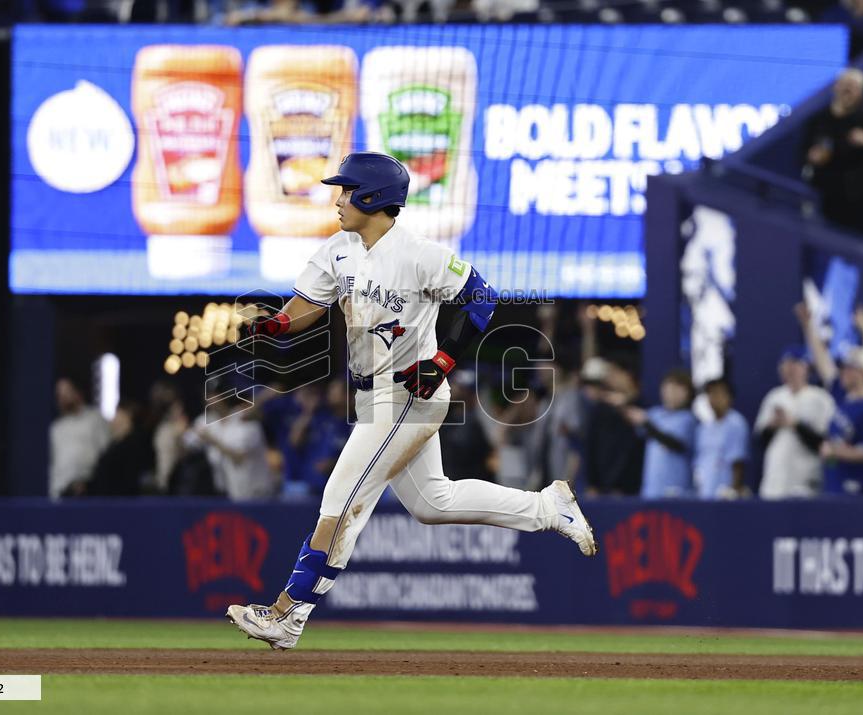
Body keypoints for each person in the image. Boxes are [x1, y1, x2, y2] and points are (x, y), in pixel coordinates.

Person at [226, 151, 597, 650]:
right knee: (431, 502)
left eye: (346, 189)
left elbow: (480, 298)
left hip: (406, 395)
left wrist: (444, 359)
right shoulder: (340, 249)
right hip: (371, 397)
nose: (338, 199)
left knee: (341, 503)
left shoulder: (419, 253)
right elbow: (304, 308)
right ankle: (548, 508)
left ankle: (287, 614)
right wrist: (273, 325)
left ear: (372, 197)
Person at [797, 302, 863, 494]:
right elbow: (823, 363)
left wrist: (836, 451)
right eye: (844, 368)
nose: (845, 373)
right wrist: (808, 326)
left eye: (851, 368)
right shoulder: (843, 395)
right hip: (834, 483)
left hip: (858, 489)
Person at [803, 68, 863, 234]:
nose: (848, 91)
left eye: (853, 87)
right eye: (845, 85)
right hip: (822, 195)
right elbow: (802, 151)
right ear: (835, 87)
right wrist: (810, 156)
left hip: (854, 200)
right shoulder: (819, 117)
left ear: (861, 93)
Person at [754, 347, 835, 499]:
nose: (790, 369)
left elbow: (825, 442)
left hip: (806, 482)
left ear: (806, 367)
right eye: (786, 365)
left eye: (795, 364)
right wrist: (773, 425)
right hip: (774, 481)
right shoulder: (774, 397)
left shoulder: (820, 398)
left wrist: (795, 424)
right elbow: (760, 440)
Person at [623, 368, 697, 499]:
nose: (672, 393)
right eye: (669, 387)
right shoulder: (655, 414)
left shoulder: (689, 419)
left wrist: (646, 424)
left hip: (678, 490)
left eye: (678, 388)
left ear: (688, 393)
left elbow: (676, 444)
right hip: (651, 489)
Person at [585, 360, 645, 496]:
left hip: (632, 486)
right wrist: (592, 483)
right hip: (603, 486)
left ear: (628, 375)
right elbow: (591, 446)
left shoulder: (642, 405)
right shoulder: (601, 407)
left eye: (614, 373)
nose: (610, 379)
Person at [48, 377, 111, 498]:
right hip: (62, 492)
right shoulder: (56, 429)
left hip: (89, 491)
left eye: (67, 392)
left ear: (78, 393)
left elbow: (105, 455)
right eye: (59, 394)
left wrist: (91, 483)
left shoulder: (95, 418)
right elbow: (53, 465)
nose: (63, 397)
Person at [694, 378, 750, 500]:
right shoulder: (704, 428)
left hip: (725, 493)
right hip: (705, 490)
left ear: (729, 397)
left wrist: (733, 490)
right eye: (711, 394)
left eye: (719, 393)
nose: (714, 398)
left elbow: (738, 460)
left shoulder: (736, 423)